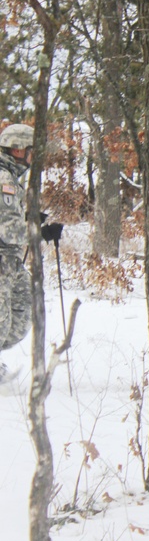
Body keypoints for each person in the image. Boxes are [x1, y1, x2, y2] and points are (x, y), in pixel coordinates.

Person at [0, 124, 63, 384]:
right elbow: (9, 232)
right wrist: (40, 232)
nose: (33, 157)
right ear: (18, 149)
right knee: (2, 321)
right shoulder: (4, 180)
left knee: (23, 311)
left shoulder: (11, 177)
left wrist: (30, 219)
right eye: (30, 151)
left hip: (10, 261)